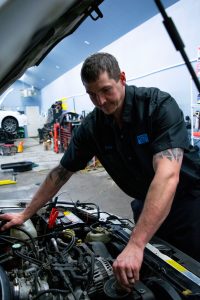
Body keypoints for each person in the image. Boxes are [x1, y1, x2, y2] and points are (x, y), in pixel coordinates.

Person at [0, 52, 200, 292]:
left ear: (122, 78)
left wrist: (136, 244)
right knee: (157, 278)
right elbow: (60, 173)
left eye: (106, 90)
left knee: (191, 277)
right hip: (146, 206)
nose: (101, 101)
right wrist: (25, 214)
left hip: (190, 205)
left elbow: (167, 176)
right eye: (92, 94)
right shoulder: (93, 127)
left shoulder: (157, 106)